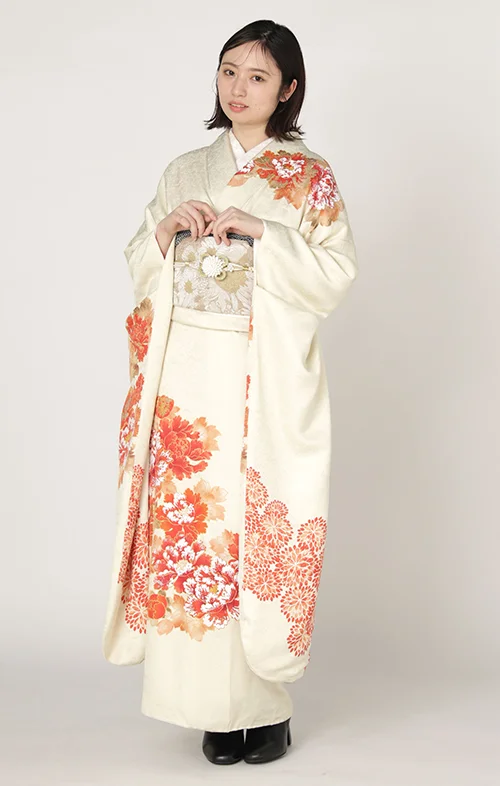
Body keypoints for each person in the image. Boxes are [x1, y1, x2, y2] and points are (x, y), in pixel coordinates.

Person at [102, 18, 358, 766]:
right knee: (192, 533)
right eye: (228, 72)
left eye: (257, 76)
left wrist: (264, 234)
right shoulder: (186, 170)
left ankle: (264, 710)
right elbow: (138, 260)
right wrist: (165, 234)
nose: (239, 89)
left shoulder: (309, 178)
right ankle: (212, 712)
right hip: (184, 385)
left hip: (257, 378)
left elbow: (335, 273)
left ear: (288, 89)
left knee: (249, 533)